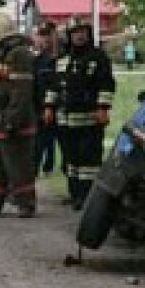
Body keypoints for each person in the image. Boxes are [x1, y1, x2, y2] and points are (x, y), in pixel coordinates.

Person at [46, 17, 115, 209]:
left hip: (89, 119)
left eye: (83, 31)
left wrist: (102, 108)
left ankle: (87, 196)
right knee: (70, 158)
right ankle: (74, 193)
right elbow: (53, 86)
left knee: (89, 160)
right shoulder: (61, 60)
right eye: (75, 32)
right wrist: (49, 107)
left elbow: (106, 85)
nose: (80, 35)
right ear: (69, 35)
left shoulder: (98, 58)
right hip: (65, 120)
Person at [0, 10, 39, 217]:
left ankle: (26, 203)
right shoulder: (2, 53)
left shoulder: (20, 54)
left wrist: (12, 120)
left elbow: (21, 92)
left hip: (14, 120)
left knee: (18, 165)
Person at [31, 22, 60, 177]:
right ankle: (35, 170)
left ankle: (49, 167)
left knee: (54, 142)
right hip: (40, 109)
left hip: (60, 109)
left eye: (48, 35)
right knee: (39, 142)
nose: (46, 39)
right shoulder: (37, 61)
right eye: (42, 35)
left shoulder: (61, 59)